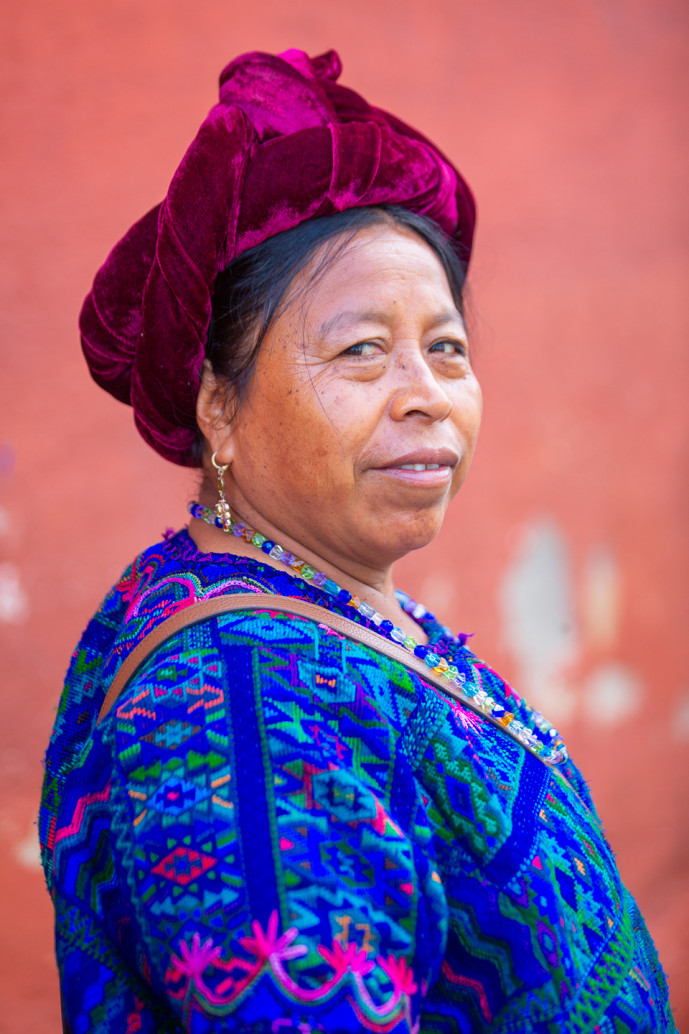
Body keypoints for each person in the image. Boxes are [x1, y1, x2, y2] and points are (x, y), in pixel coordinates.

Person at [39, 48, 675, 1034]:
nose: (426, 393)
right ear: (220, 407)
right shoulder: (231, 699)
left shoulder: (319, 608)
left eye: (446, 346)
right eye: (361, 348)